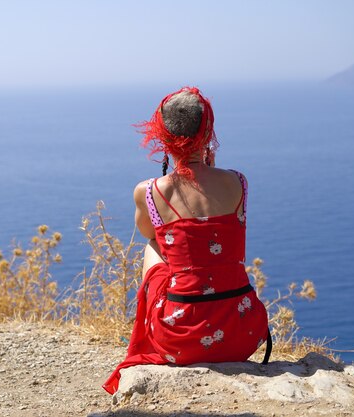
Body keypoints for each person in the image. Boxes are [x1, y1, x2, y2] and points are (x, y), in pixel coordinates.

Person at [103, 87, 271, 395]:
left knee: (153, 246)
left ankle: (153, 328)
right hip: (243, 331)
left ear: (162, 134)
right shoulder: (238, 182)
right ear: (207, 131)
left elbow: (149, 233)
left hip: (182, 341)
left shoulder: (150, 191)